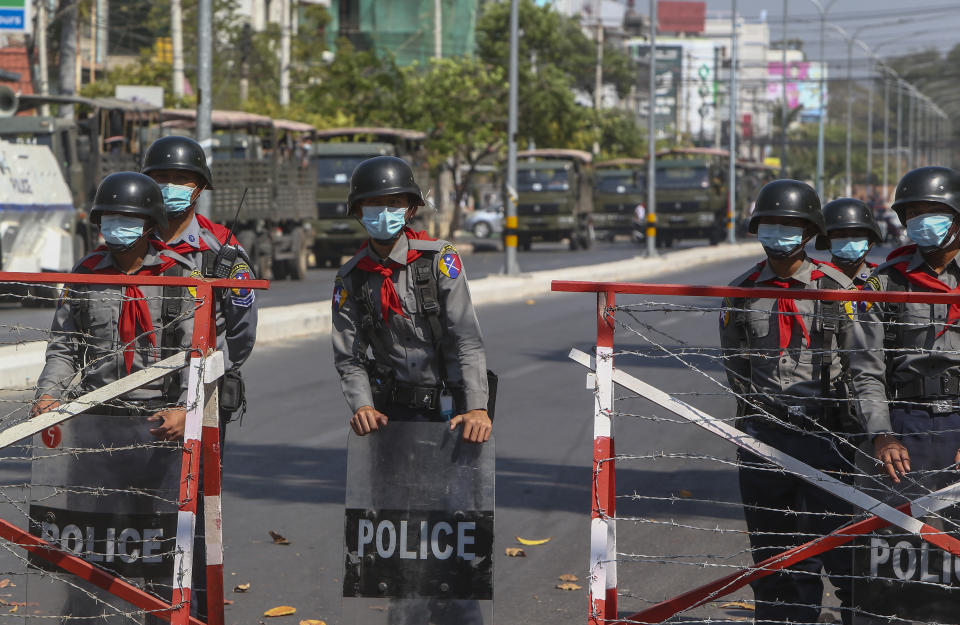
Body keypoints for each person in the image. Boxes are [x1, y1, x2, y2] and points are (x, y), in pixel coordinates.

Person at [720, 179, 856, 625]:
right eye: (769, 224)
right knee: (770, 548)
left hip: (826, 432)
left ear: (810, 231)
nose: (778, 233)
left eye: (789, 225)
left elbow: (862, 363)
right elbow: (736, 367)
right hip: (765, 432)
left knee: (829, 546)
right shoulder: (741, 292)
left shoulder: (836, 289)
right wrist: (759, 414)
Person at [332, 155, 492, 442]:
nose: (384, 212)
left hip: (453, 409)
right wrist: (363, 406)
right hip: (392, 414)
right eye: (374, 203)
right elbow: (349, 357)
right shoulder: (351, 277)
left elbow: (465, 337)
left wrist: (477, 407)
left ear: (410, 210)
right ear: (358, 210)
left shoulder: (438, 259)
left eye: (394, 203)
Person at [32, 171, 193, 433]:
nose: (117, 225)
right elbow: (64, 347)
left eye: (129, 218)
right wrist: (48, 395)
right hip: (94, 415)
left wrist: (186, 409)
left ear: (150, 223)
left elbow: (194, 351)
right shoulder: (85, 275)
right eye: (110, 218)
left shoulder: (176, 274)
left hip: (160, 417)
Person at [848, 166, 960, 486]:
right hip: (904, 424)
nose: (922, 220)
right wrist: (882, 435)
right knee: (899, 532)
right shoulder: (886, 282)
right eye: (914, 213)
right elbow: (866, 367)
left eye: (933, 212)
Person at [140, 135, 257, 431]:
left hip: (199, 395)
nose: (169, 186)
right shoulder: (130, 246)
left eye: (181, 179)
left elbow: (242, 331)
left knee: (198, 477)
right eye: (161, 178)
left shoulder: (222, 253)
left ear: (200, 187)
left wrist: (207, 382)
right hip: (130, 399)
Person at [815, 198, 882, 287]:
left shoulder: (883, 281)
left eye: (857, 234)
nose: (849, 241)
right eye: (840, 235)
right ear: (827, 240)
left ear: (870, 240)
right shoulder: (814, 282)